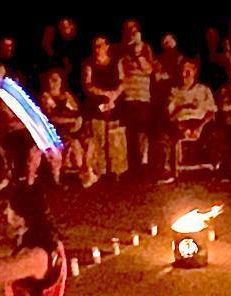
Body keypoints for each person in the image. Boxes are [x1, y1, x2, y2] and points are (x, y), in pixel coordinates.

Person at [158, 59, 218, 182]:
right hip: (180, 123)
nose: (184, 74)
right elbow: (169, 114)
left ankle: (216, 170)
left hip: (201, 122)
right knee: (164, 136)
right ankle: (167, 171)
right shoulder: (174, 91)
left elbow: (211, 111)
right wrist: (182, 127)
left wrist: (199, 127)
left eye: (188, 71)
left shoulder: (204, 90)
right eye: (182, 71)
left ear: (194, 72)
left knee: (217, 133)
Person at [81, 36, 126, 185]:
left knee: (115, 138)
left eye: (100, 45)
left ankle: (117, 170)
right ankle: (100, 170)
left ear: (107, 46)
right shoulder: (89, 64)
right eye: (95, 45)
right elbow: (88, 85)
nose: (98, 48)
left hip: (115, 103)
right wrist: (104, 94)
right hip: (96, 104)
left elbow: (122, 81)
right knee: (98, 137)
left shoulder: (116, 62)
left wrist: (114, 96)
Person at [118, 27, 154, 172]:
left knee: (142, 131)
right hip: (128, 98)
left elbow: (148, 70)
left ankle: (142, 162)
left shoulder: (145, 52)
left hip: (143, 98)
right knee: (130, 131)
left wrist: (138, 53)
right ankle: (132, 164)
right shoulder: (123, 55)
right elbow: (121, 76)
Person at [40, 70, 85, 182]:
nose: (54, 83)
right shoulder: (47, 97)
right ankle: (56, 178)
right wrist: (70, 120)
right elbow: (51, 118)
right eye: (51, 80)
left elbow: (76, 111)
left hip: (69, 130)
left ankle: (79, 172)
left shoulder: (66, 96)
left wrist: (77, 120)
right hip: (54, 131)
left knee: (81, 143)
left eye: (56, 80)